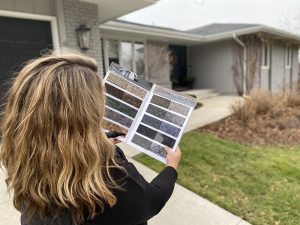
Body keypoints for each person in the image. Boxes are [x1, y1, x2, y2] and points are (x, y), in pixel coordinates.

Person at [0, 53, 181, 225]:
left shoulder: (26, 159)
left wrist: (90, 146)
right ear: (83, 115)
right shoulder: (110, 176)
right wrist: (171, 167)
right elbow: (150, 202)